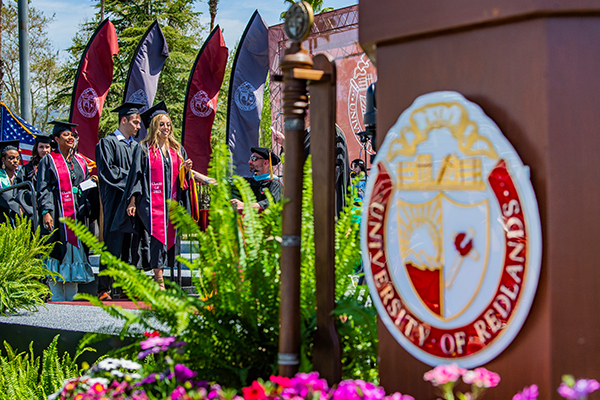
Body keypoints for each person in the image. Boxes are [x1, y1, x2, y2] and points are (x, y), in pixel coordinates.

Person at [121, 101, 194, 290]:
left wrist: (185, 169)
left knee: (169, 236)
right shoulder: (143, 148)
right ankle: (158, 276)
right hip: (150, 202)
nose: (166, 128)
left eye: (168, 124)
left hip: (172, 201)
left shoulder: (177, 150)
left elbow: (182, 179)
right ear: (154, 126)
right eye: (162, 124)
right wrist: (132, 200)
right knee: (156, 235)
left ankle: (166, 274)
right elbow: (136, 175)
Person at [37, 121, 94, 301]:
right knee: (57, 251)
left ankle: (72, 302)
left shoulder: (80, 161)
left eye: (72, 135)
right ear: (56, 139)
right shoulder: (49, 160)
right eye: (65, 135)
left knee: (75, 254)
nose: (70, 138)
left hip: (77, 215)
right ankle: (56, 299)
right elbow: (43, 187)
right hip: (57, 213)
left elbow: (82, 185)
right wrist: (46, 211)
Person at [95, 101, 145, 301]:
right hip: (115, 201)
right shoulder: (107, 143)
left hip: (132, 202)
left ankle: (126, 286)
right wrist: (133, 180)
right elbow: (109, 172)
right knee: (112, 242)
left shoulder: (136, 147)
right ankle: (103, 289)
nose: (138, 126)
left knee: (129, 244)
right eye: (135, 122)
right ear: (123, 120)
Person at [230, 147, 283, 211]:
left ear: (266, 163)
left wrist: (244, 205)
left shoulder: (275, 183)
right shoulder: (249, 182)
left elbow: (269, 203)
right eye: (250, 158)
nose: (249, 161)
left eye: (254, 159)